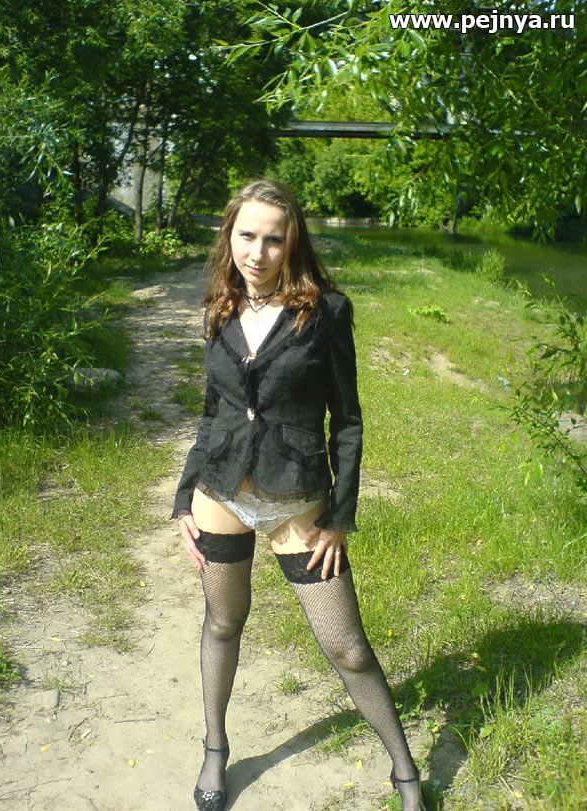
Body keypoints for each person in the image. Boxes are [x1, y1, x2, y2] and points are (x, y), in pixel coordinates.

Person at [172, 179, 423, 811]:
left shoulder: (325, 312)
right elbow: (213, 413)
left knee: (347, 647)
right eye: (246, 236)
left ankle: (406, 776)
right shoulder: (219, 307)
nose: (256, 252)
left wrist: (339, 517)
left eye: (273, 239)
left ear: (293, 243)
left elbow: (348, 421)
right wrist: (182, 499)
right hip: (220, 492)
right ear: (229, 237)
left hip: (297, 499)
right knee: (223, 622)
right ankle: (215, 749)